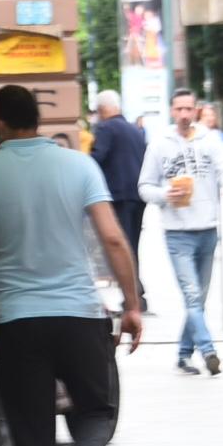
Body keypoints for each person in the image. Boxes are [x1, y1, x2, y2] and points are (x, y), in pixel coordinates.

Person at [0, 85, 144, 446]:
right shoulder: (79, 165)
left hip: (17, 322)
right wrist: (133, 304)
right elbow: (114, 238)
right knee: (97, 409)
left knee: (31, 429)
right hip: (78, 313)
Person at [139, 89, 223, 376]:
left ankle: (182, 354)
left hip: (207, 228)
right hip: (177, 232)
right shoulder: (160, 144)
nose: (183, 114)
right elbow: (144, 187)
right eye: (178, 109)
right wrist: (165, 194)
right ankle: (208, 351)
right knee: (192, 297)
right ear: (171, 111)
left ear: (196, 111)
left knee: (198, 300)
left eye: (188, 109)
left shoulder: (210, 139)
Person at [89, 89, 149, 310]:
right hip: (137, 195)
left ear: (103, 109)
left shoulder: (105, 128)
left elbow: (96, 158)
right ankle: (137, 294)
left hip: (118, 194)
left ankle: (133, 297)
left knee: (122, 245)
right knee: (133, 244)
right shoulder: (135, 129)